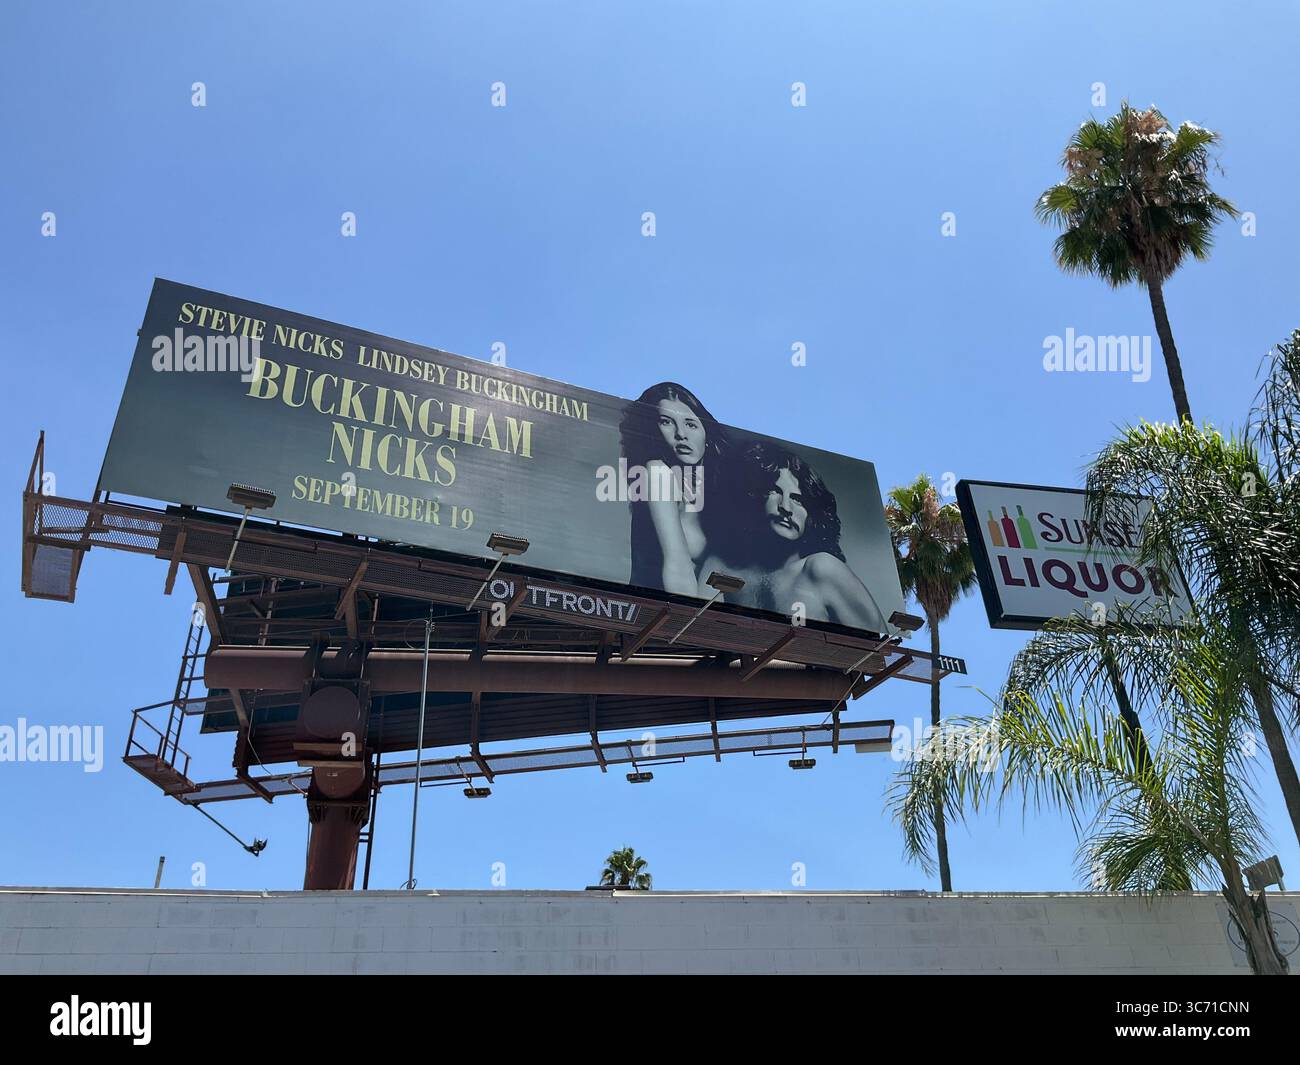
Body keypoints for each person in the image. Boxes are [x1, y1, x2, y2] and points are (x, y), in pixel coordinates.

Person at [705, 440, 887, 632]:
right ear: (753, 496)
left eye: (797, 499)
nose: (785, 507)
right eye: (774, 491)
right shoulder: (722, 569)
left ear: (812, 515)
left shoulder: (821, 568)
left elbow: (880, 651)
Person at [618, 382, 728, 596]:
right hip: (658, 617)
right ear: (653, 431)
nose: (681, 434)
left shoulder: (716, 491)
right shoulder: (657, 472)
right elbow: (677, 565)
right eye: (667, 422)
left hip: (700, 617)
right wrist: (685, 626)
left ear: (706, 434)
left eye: (691, 424)